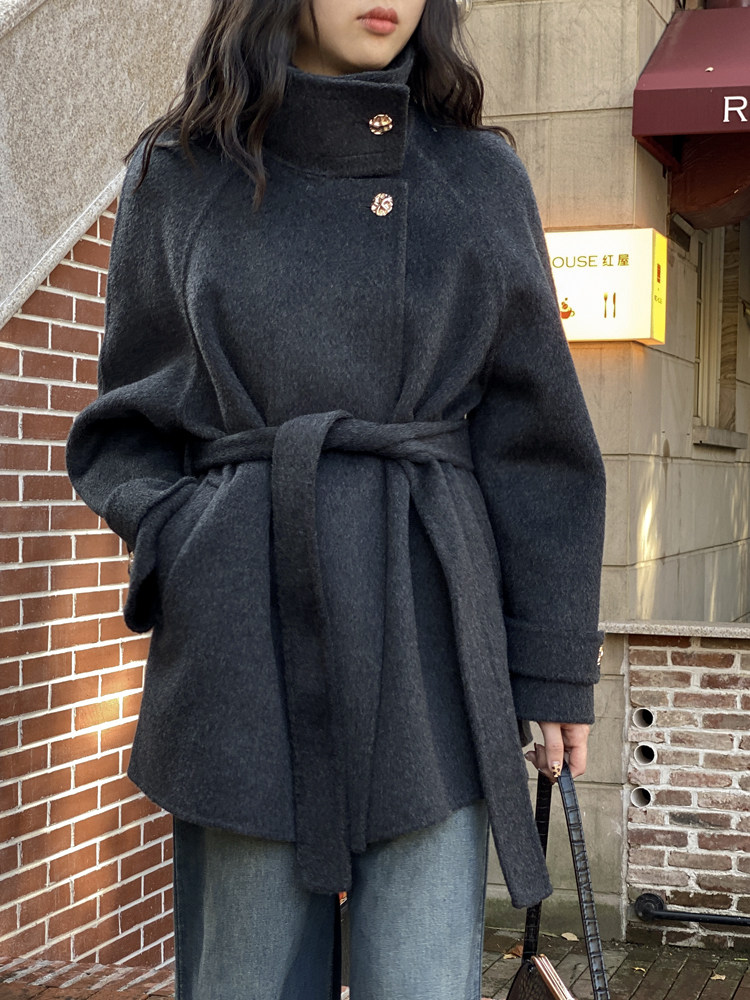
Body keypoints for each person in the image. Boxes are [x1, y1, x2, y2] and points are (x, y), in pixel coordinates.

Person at [65, 1, 607, 997]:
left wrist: (554, 665)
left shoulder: (477, 176)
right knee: (244, 979)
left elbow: (539, 443)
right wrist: (191, 542)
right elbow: (127, 422)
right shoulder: (180, 173)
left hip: (430, 636)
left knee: (424, 978)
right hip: (243, 639)